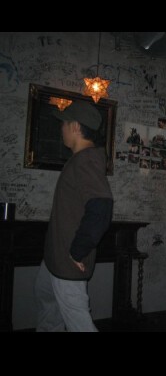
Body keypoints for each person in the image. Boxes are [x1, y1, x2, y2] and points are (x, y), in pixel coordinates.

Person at [35, 100, 113, 332]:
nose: (61, 128)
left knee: (79, 324)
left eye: (64, 123)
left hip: (68, 262)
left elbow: (101, 208)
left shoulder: (86, 160)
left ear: (76, 126)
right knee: (49, 309)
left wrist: (78, 250)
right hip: (55, 259)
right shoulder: (81, 159)